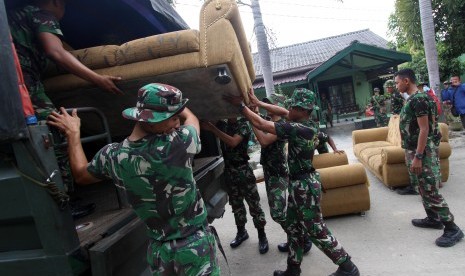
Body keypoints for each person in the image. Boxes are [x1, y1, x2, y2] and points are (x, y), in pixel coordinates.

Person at [47, 83, 220, 275]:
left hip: (159, 254)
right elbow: (192, 118)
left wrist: (73, 134)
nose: (176, 123)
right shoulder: (179, 144)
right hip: (194, 247)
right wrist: (176, 103)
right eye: (172, 118)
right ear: (150, 120)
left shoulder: (113, 156)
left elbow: (80, 174)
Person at [8, 0, 122, 214]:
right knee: (55, 132)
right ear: (55, 3)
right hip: (20, 83)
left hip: (11, 87)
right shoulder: (42, 15)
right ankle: (64, 203)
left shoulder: (13, 16)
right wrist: (97, 79)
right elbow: (56, 52)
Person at [232, 88, 359, 276]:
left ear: (302, 110)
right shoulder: (307, 123)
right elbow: (283, 112)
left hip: (304, 186)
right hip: (297, 183)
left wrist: (241, 106)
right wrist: (257, 103)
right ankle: (293, 269)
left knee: (315, 229)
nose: (288, 109)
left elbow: (261, 124)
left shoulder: (298, 129)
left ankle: (348, 266)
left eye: (293, 106)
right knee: (293, 228)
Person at [395, 69, 464, 248]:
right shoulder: (414, 98)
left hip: (422, 152)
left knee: (430, 189)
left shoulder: (419, 99)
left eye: (397, 83)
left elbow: (424, 129)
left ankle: (452, 228)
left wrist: (418, 156)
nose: (396, 86)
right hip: (413, 150)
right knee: (420, 186)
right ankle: (433, 218)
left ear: (406, 81)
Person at [201, 116, 269, 254]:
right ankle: (241, 232)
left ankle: (262, 235)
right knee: (236, 204)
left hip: (243, 170)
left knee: (254, 204)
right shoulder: (222, 124)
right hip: (229, 171)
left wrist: (213, 129)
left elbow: (233, 142)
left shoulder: (243, 124)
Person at [253, 96, 312, 255]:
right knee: (284, 212)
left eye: (270, 103)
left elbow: (264, 141)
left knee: (278, 213)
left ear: (277, 106)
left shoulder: (283, 126)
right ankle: (294, 238)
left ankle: (301, 238)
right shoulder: (269, 121)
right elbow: (258, 131)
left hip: (278, 173)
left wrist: (251, 119)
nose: (267, 106)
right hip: (269, 171)